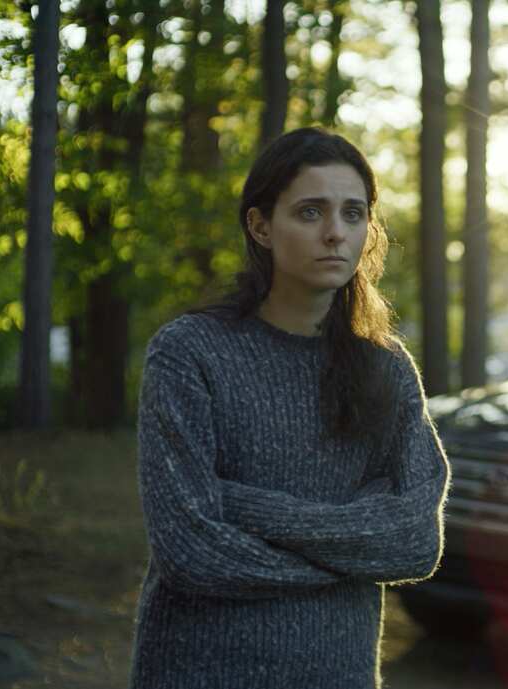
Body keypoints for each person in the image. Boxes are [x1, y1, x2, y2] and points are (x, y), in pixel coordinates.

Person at [129, 127, 450, 688]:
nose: (335, 232)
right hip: (199, 671)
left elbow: (415, 544)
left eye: (353, 214)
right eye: (310, 212)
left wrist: (240, 506)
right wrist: (352, 548)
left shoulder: (387, 369)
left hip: (337, 674)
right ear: (260, 226)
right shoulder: (190, 353)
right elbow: (191, 551)